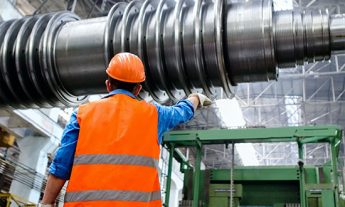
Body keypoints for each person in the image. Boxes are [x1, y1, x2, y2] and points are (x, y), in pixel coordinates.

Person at [39, 53, 211, 207]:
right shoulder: (155, 115)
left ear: (108, 84)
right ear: (138, 89)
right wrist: (195, 98)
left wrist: (47, 203)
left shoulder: (82, 114)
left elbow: (60, 167)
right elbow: (182, 112)